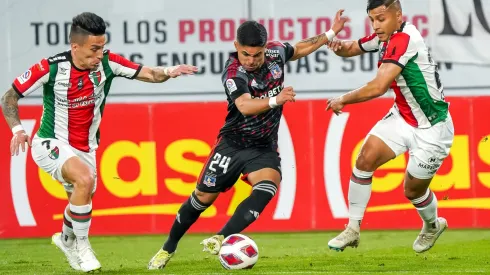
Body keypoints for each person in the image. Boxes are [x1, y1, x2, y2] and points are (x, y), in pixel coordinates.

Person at [147, 10, 349, 270]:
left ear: (266, 48)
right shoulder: (233, 73)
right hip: (232, 145)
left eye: (257, 54)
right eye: (246, 54)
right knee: (200, 200)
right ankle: (168, 248)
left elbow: (299, 48)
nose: (251, 60)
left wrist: (331, 33)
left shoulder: (275, 53)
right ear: (236, 47)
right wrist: (277, 99)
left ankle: (221, 237)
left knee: (269, 185)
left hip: (263, 147)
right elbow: (244, 105)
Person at [1, 12, 197, 272]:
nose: (99, 55)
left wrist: (170, 71)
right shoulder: (51, 67)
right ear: (75, 46)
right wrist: (16, 130)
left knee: (83, 196)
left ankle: (66, 239)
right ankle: (83, 247)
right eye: (94, 49)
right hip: (49, 142)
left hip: (86, 147)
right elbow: (9, 97)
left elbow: (149, 74)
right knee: (85, 180)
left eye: (102, 47)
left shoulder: (108, 62)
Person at [325, 0, 453, 253]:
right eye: (372, 19)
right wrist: (338, 47)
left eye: (381, 19)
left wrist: (342, 99)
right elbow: (354, 47)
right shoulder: (386, 36)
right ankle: (352, 229)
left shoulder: (404, 40)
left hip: (433, 128)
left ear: (398, 15)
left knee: (413, 190)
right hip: (403, 118)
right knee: (364, 160)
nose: (376, 25)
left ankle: (432, 225)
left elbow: (378, 87)